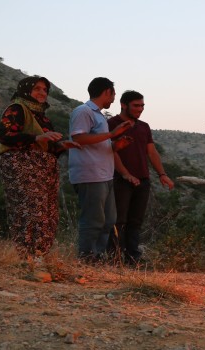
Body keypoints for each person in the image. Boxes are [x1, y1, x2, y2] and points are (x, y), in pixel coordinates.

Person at [0, 76, 80, 263]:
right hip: (21, 163)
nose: (42, 93)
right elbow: (5, 135)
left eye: (45, 89)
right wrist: (36, 138)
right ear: (26, 90)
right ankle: (28, 257)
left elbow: (46, 145)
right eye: (37, 89)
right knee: (31, 209)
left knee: (48, 212)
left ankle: (40, 256)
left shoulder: (42, 117)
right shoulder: (17, 109)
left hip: (44, 166)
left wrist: (61, 146)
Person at [68, 77, 134, 262]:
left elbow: (97, 142)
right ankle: (86, 257)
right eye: (113, 94)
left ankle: (97, 256)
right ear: (107, 92)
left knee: (108, 220)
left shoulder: (99, 115)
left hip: (104, 174)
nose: (113, 99)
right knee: (93, 220)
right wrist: (112, 134)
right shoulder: (84, 111)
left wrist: (115, 144)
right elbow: (78, 138)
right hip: (90, 174)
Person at [107, 90, 174, 265]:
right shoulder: (111, 124)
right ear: (123, 104)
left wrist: (162, 174)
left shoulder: (144, 126)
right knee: (118, 220)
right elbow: (110, 151)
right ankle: (115, 258)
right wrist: (125, 174)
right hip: (120, 179)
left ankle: (133, 258)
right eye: (136, 105)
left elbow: (151, 151)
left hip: (142, 179)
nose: (140, 109)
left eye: (142, 105)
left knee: (135, 221)